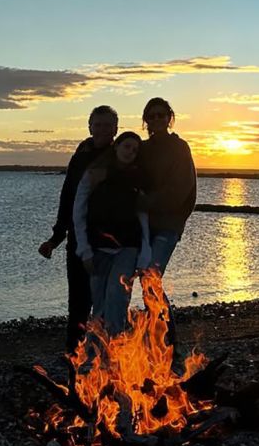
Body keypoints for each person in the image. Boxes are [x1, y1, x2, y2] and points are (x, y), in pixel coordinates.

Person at [38, 105, 118, 353]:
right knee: (79, 301)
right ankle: (74, 352)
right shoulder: (80, 158)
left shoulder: (123, 156)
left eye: (108, 125)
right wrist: (55, 238)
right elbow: (68, 198)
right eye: (98, 124)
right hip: (78, 239)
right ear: (90, 127)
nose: (103, 129)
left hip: (112, 242)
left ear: (116, 128)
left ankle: (106, 353)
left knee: (107, 300)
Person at [136, 97, 196, 369]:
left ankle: (170, 344)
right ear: (145, 119)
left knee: (151, 279)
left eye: (162, 115)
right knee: (147, 283)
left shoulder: (179, 148)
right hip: (142, 226)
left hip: (167, 226)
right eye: (152, 115)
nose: (157, 120)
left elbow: (185, 190)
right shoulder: (141, 149)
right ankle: (157, 342)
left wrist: (174, 219)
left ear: (169, 117)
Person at [72, 131, 151, 337]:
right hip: (97, 247)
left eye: (135, 150)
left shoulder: (137, 178)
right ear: (116, 146)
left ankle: (116, 353)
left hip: (128, 247)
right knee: (99, 303)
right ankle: (96, 356)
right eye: (126, 146)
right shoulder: (95, 174)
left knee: (117, 297)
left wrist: (145, 253)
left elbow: (142, 217)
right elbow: (78, 211)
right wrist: (84, 250)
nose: (130, 152)